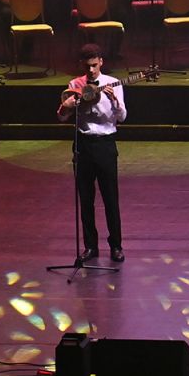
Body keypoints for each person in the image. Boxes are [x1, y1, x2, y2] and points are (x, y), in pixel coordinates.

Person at [57, 43, 127, 263]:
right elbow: (61, 117)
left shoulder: (113, 83)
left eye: (95, 65)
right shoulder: (75, 84)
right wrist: (67, 105)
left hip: (105, 145)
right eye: (87, 66)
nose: (91, 70)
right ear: (81, 65)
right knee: (86, 200)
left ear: (101, 62)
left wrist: (114, 100)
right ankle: (90, 246)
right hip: (84, 145)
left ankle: (116, 246)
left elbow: (122, 117)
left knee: (110, 198)